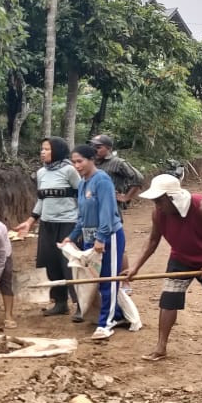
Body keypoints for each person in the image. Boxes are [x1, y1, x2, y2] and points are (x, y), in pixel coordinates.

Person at [124, 174, 202, 361]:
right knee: (168, 300)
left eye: (159, 201)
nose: (157, 206)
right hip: (180, 259)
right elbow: (153, 240)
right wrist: (135, 267)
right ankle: (161, 347)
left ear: (172, 198)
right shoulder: (158, 213)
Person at [62, 144, 130, 340]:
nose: (77, 165)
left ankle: (106, 323)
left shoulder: (102, 180)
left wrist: (102, 238)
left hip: (109, 238)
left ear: (91, 159)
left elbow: (107, 212)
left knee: (108, 280)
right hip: (89, 239)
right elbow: (82, 216)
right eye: (74, 162)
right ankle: (115, 315)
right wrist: (72, 236)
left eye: (80, 161)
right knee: (96, 282)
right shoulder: (83, 183)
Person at [13, 137, 82, 319]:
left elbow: (81, 196)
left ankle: (81, 304)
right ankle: (60, 303)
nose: (42, 152)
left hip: (68, 223)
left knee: (70, 264)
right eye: (42, 149)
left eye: (46, 149)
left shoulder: (70, 171)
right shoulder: (41, 173)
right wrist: (30, 222)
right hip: (47, 224)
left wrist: (82, 223)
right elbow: (42, 200)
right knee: (49, 263)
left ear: (57, 151)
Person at [90, 134, 145, 211]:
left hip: (111, 207)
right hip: (93, 206)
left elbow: (138, 178)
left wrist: (126, 197)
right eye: (93, 146)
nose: (94, 150)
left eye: (98, 147)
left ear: (109, 148)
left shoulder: (117, 163)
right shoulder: (91, 162)